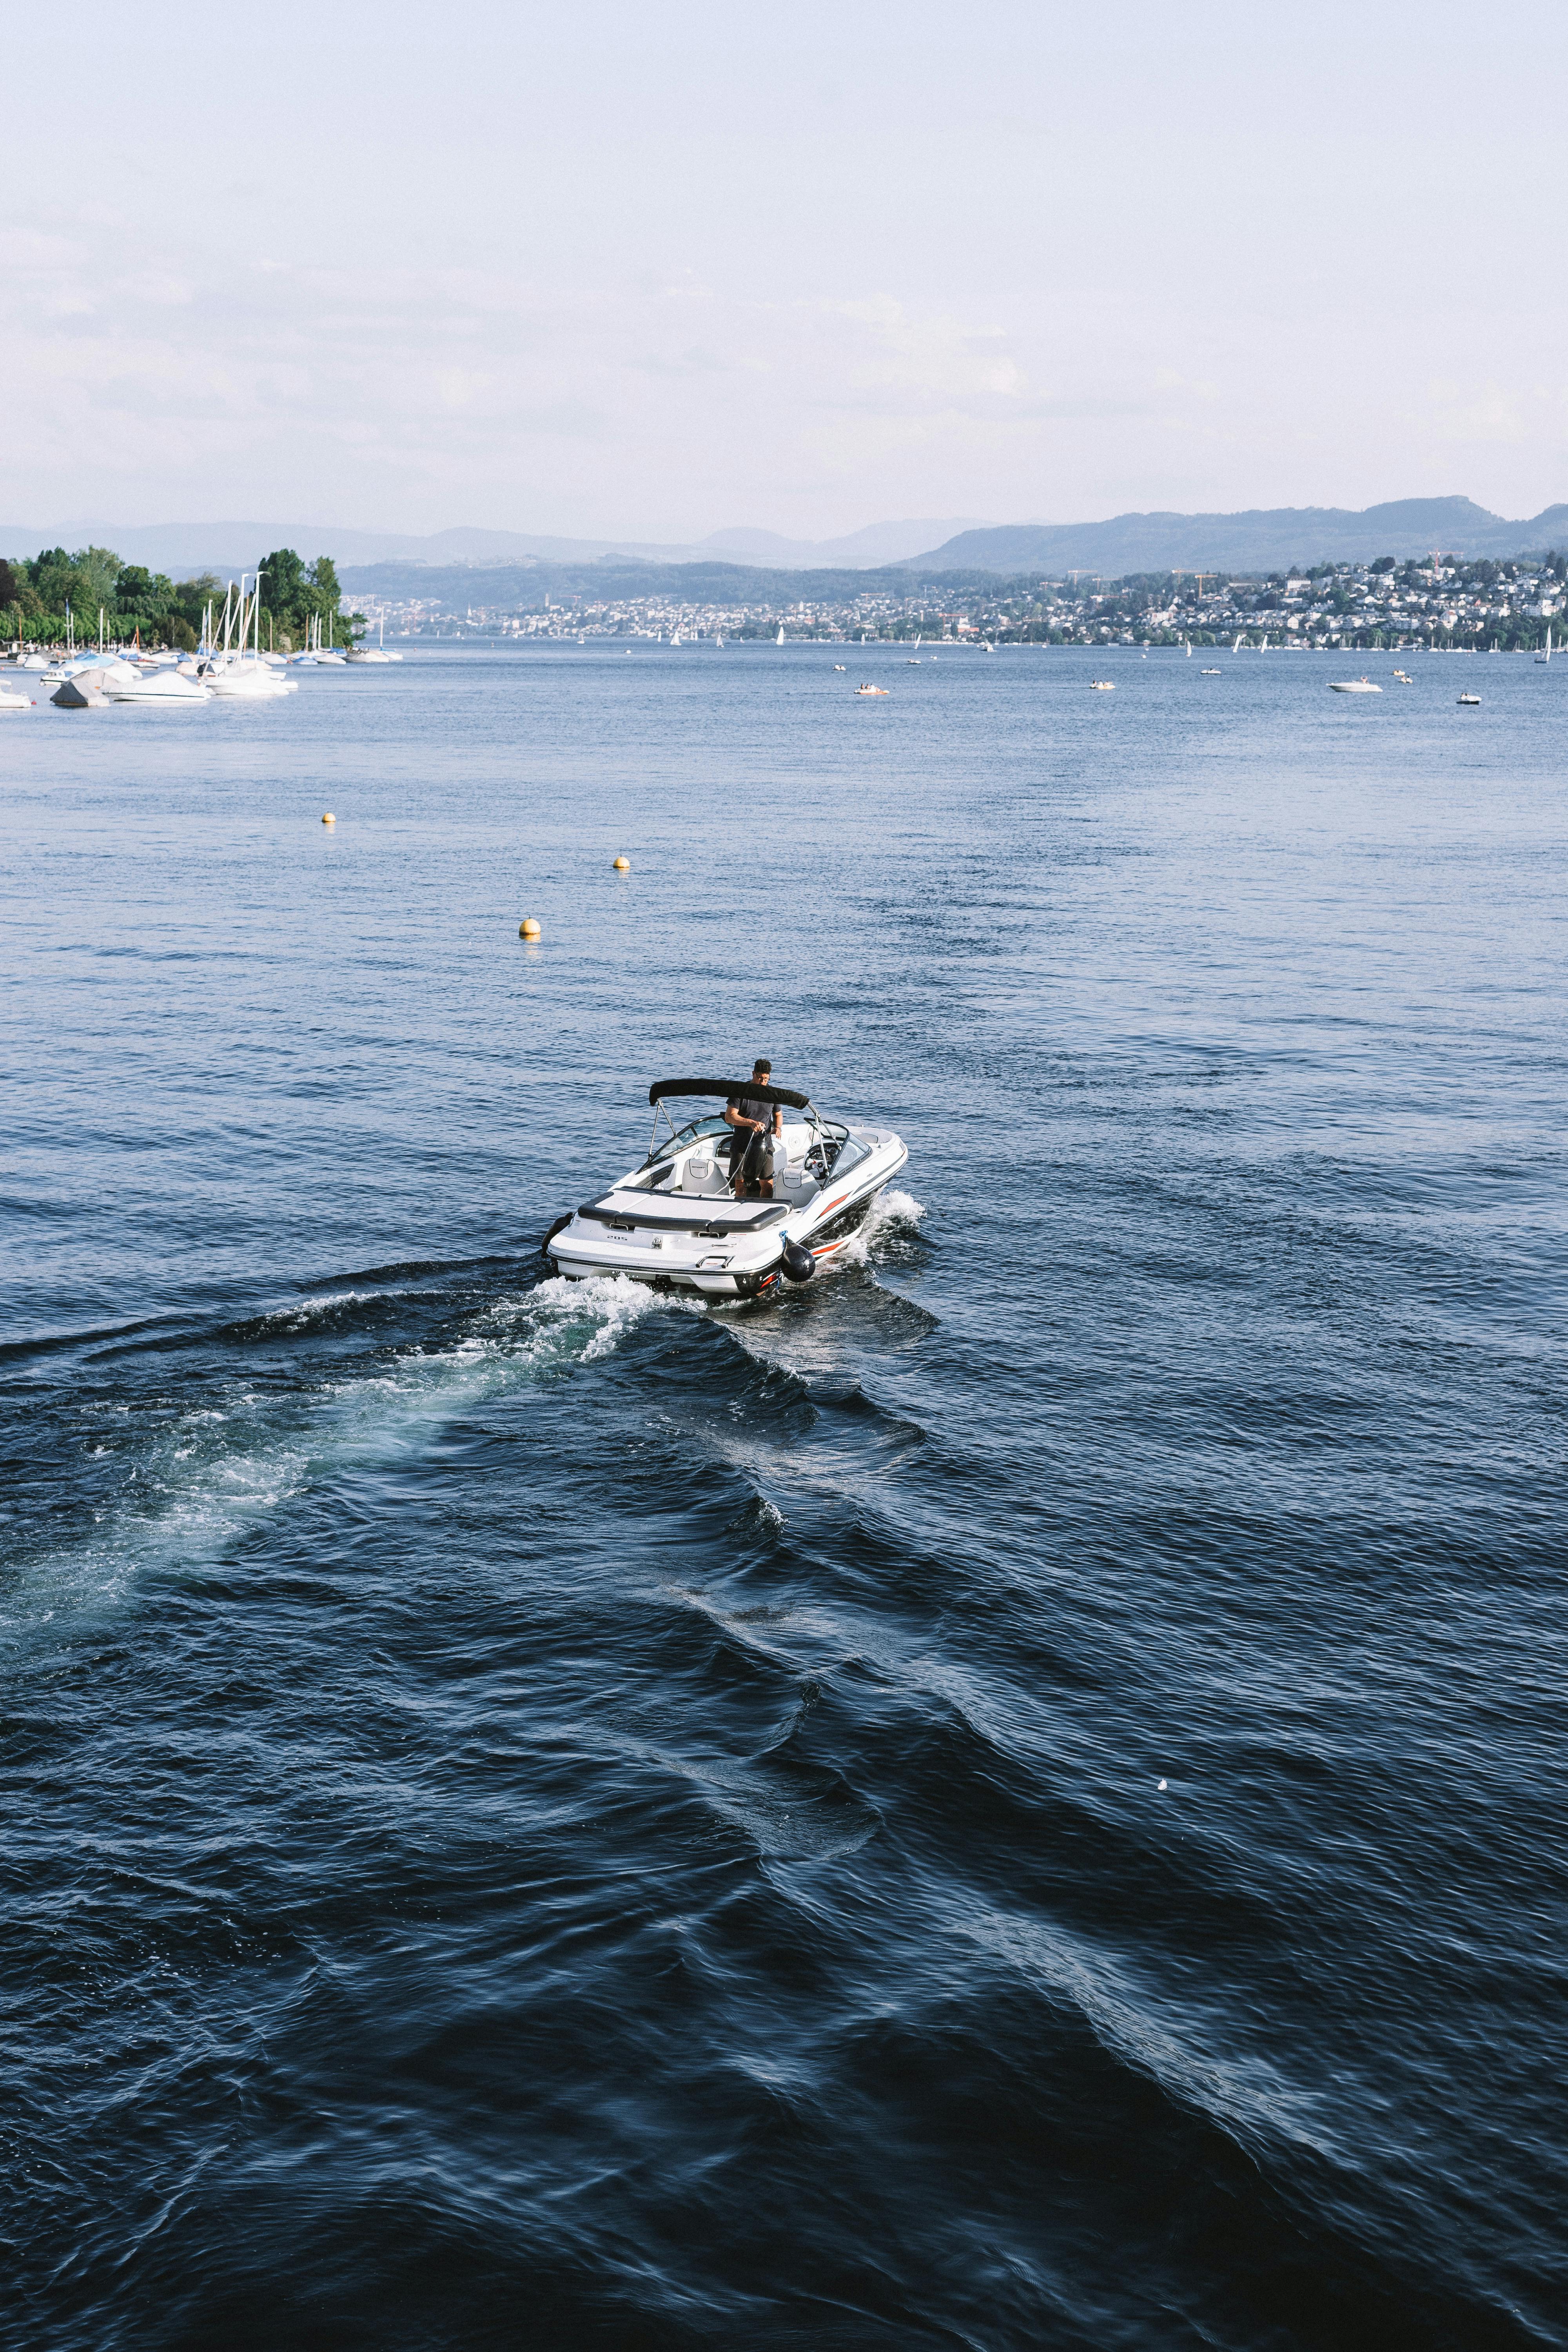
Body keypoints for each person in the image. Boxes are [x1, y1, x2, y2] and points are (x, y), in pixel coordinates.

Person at [725, 1060, 783, 1199]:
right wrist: (751, 1123)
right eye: (760, 1078)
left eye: (766, 1079)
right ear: (753, 1073)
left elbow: (778, 1114)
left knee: (768, 1185)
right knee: (740, 1187)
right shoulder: (740, 1092)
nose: (763, 1082)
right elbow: (730, 1117)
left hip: (765, 1144)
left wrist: (778, 1127)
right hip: (742, 1144)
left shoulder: (772, 1093)